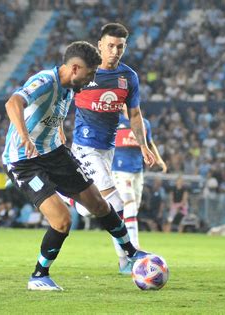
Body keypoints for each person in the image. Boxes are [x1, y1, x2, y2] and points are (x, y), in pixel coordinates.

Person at [2, 41, 146, 291]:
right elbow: (13, 103)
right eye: (91, 74)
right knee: (62, 221)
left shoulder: (71, 88)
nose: (92, 80)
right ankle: (39, 276)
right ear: (76, 69)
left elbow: (52, 114)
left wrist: (57, 132)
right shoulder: (45, 80)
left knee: (100, 204)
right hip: (24, 161)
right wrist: (24, 136)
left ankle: (131, 253)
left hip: (55, 154)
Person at [69, 23, 156, 274]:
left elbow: (136, 114)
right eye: (110, 46)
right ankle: (127, 257)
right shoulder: (85, 72)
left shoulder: (128, 77)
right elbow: (63, 96)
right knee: (116, 200)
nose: (115, 51)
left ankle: (72, 198)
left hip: (108, 150)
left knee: (89, 208)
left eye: (120, 46)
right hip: (85, 147)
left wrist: (143, 145)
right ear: (99, 45)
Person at [112, 113, 167, 248]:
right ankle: (134, 247)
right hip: (119, 170)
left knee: (133, 209)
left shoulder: (144, 123)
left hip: (137, 171)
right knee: (128, 204)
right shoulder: (115, 121)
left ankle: (122, 241)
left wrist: (159, 160)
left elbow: (149, 143)